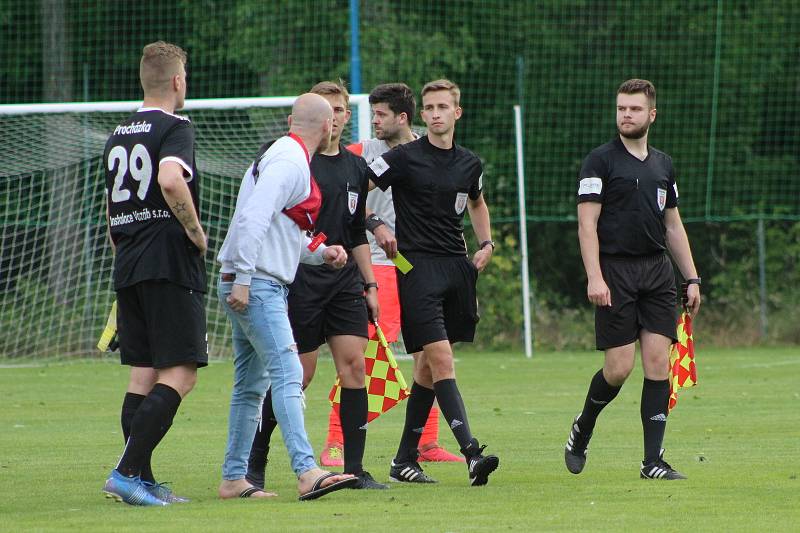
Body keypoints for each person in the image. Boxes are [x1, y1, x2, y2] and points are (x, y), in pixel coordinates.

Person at [244, 81, 386, 491]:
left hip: (344, 283)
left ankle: (355, 469)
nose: (337, 117)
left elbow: (357, 232)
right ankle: (256, 460)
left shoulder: (356, 168)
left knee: (355, 367)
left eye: (342, 109)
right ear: (318, 119)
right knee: (299, 374)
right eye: (331, 110)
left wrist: (371, 284)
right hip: (300, 279)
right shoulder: (293, 162)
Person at [216, 92, 357, 501]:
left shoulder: (285, 154)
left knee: (250, 385)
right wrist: (244, 277)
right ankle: (307, 470)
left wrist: (320, 253)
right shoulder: (291, 161)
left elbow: (277, 231)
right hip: (256, 283)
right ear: (329, 125)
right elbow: (254, 216)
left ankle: (233, 478)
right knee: (288, 372)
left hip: (250, 278)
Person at [317, 82, 463, 465]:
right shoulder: (362, 153)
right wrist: (378, 225)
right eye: (373, 113)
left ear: (403, 117)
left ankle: (426, 443)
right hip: (376, 263)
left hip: (415, 265)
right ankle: (336, 441)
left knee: (428, 355)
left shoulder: (427, 152)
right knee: (362, 354)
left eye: (381, 114)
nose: (375, 121)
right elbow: (341, 197)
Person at [565, 79, 702, 480]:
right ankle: (583, 426)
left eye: (635, 109)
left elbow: (672, 226)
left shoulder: (663, 164)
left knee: (659, 363)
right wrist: (595, 276)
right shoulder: (599, 161)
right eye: (622, 108)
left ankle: (652, 461)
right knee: (619, 368)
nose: (626, 114)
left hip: (657, 272)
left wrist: (691, 277)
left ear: (651, 114)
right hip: (615, 272)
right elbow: (586, 225)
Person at [366, 79, 500, 486]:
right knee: (441, 358)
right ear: (421, 115)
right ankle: (472, 453)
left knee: (426, 365)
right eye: (430, 107)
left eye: (444, 106)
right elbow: (354, 188)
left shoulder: (469, 163)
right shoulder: (404, 157)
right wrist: (374, 224)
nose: (437, 113)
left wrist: (487, 243)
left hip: (457, 269)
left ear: (456, 113)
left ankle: (404, 460)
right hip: (415, 269)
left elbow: (476, 201)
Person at [102, 41, 208, 506]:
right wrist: (196, 233)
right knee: (181, 374)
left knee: (143, 374)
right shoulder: (175, 126)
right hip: (167, 261)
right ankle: (126, 473)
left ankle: (141, 480)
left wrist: (126, 249)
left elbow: (110, 212)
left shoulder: (117, 135)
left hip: (128, 262)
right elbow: (169, 179)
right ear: (178, 81)